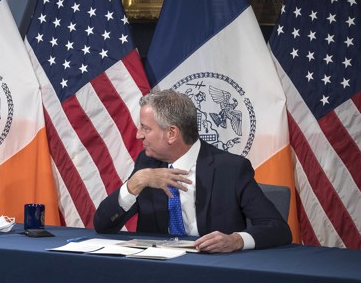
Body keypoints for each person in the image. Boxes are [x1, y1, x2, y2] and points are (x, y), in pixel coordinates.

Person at [94, 89, 291, 253]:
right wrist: (135, 183)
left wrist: (236, 240)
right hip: (157, 273)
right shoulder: (147, 165)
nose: (138, 135)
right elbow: (104, 225)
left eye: (146, 128)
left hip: (213, 271)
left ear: (171, 133)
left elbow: (277, 229)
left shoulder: (231, 169)